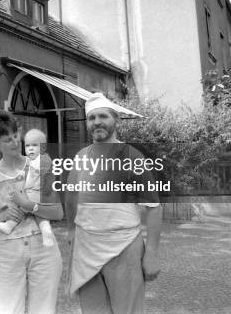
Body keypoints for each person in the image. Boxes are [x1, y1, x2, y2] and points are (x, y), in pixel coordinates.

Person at [66, 93, 162, 314]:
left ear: (115, 120)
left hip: (124, 246)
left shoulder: (133, 157)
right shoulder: (80, 158)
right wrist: (71, 229)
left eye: (103, 116)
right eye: (91, 118)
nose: (97, 122)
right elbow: (71, 196)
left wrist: (152, 253)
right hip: (86, 247)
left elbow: (154, 208)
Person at [0, 111, 63, 314]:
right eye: (7, 140)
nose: (15, 143)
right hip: (9, 250)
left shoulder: (40, 166)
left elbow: (58, 212)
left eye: (16, 136)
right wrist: (0, 218)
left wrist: (30, 205)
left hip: (44, 248)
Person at [0, 128, 56, 247]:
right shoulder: (35, 161)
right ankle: (46, 230)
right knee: (39, 215)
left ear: (43, 148)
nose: (31, 148)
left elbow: (45, 176)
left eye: (34, 145)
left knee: (19, 207)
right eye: (28, 146)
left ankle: (9, 225)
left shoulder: (43, 160)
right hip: (39, 195)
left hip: (35, 193)